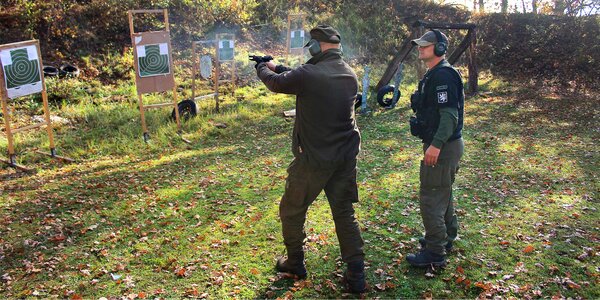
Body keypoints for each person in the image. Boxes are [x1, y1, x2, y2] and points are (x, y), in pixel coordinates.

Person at [254, 25, 366, 293]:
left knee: (291, 211)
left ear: (317, 46)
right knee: (344, 214)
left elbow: (277, 83)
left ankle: (295, 262)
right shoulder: (348, 74)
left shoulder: (310, 74)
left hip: (313, 160)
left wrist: (261, 68)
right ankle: (357, 275)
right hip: (344, 158)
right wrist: (277, 65)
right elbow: (297, 78)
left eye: (311, 46)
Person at [406, 29, 465, 267]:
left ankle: (435, 253)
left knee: (431, 196)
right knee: (442, 192)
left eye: (426, 45)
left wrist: (436, 145)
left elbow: (449, 116)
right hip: (443, 145)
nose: (420, 48)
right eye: (420, 45)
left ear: (440, 49)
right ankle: (446, 237)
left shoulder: (443, 77)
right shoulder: (434, 74)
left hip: (443, 146)